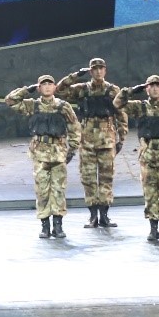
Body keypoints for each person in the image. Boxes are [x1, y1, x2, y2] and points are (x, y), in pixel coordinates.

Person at [5, 75, 81, 239]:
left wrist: (73, 148)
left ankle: (58, 225)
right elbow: (10, 100)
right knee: (42, 190)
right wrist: (27, 90)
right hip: (39, 152)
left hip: (58, 152)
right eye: (43, 84)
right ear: (39, 88)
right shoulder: (33, 105)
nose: (47, 87)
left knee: (59, 190)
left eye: (50, 84)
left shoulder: (63, 106)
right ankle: (45, 225)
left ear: (55, 87)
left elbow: (74, 126)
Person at [55, 57, 128, 229]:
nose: (98, 71)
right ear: (90, 71)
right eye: (94, 69)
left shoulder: (113, 90)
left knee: (106, 177)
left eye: (101, 68)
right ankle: (93, 215)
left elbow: (121, 113)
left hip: (107, 140)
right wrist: (75, 75)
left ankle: (104, 215)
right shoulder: (82, 89)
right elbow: (60, 90)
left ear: (105, 70)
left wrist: (122, 137)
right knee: (88, 178)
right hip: (86, 140)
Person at [115, 75, 159, 242]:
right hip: (147, 155)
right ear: (146, 88)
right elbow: (117, 104)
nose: (154, 89)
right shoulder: (140, 107)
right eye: (151, 86)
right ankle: (153, 227)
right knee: (150, 192)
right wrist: (131, 91)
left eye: (157, 86)